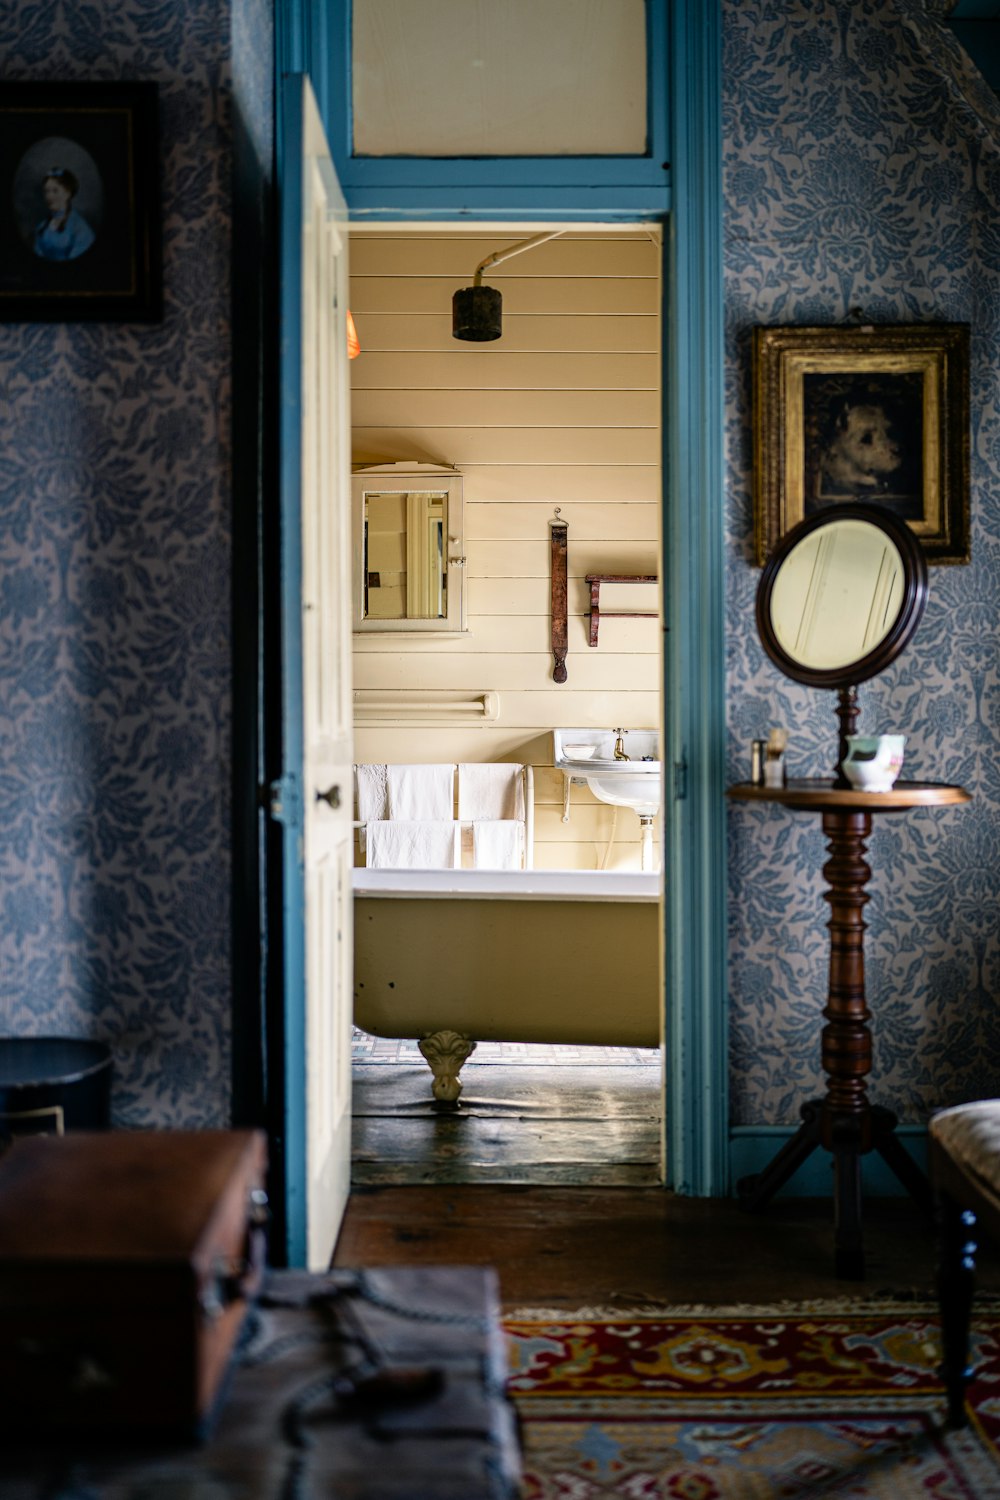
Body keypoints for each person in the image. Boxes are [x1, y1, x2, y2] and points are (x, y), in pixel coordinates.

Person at [33, 166, 95, 262]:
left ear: (68, 193)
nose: (49, 196)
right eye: (47, 191)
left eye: (55, 191)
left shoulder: (80, 229)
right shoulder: (42, 227)